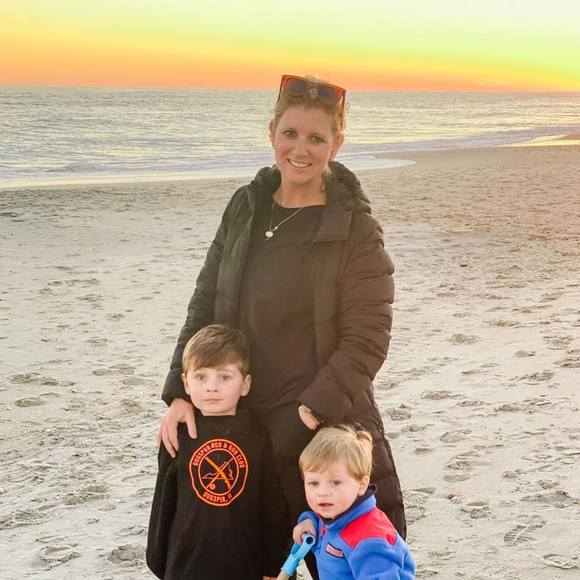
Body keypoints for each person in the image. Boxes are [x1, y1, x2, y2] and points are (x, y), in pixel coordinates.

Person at [157, 73, 407, 576]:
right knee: (247, 559)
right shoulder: (245, 208)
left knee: (347, 561)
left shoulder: (354, 227)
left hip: (319, 425)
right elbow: (204, 303)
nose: (300, 149)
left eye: (316, 138)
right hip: (239, 419)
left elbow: (367, 339)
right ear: (271, 131)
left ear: (336, 144)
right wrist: (181, 391)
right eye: (290, 133)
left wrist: (307, 417)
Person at [146, 324, 288, 580]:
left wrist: (273, 565)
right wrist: (158, 561)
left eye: (224, 377)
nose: (212, 387)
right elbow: (164, 501)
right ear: (185, 383)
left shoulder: (259, 435)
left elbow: (273, 504)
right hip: (187, 567)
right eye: (201, 377)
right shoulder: (178, 434)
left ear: (245, 384)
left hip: (245, 563)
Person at [292, 426, 415, 579]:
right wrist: (309, 522)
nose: (322, 492)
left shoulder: (370, 541)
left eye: (335, 482)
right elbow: (324, 523)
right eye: (313, 483)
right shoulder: (337, 514)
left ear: (361, 485)